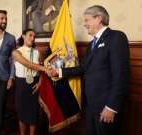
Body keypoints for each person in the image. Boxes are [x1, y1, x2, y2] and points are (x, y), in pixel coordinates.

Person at [51, 5, 130, 135]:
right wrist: (59, 72)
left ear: (98, 18)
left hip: (106, 106)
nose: (84, 24)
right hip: (91, 105)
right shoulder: (92, 44)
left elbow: (121, 76)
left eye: (87, 20)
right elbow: (83, 68)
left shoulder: (116, 37)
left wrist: (112, 107)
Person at [12, 29, 50, 135]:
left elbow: (41, 71)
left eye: (34, 36)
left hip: (35, 84)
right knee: (22, 113)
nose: (32, 38)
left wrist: (40, 83)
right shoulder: (16, 52)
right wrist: (44, 69)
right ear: (23, 36)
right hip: (21, 85)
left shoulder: (37, 52)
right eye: (30, 35)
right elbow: (29, 64)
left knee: (33, 113)